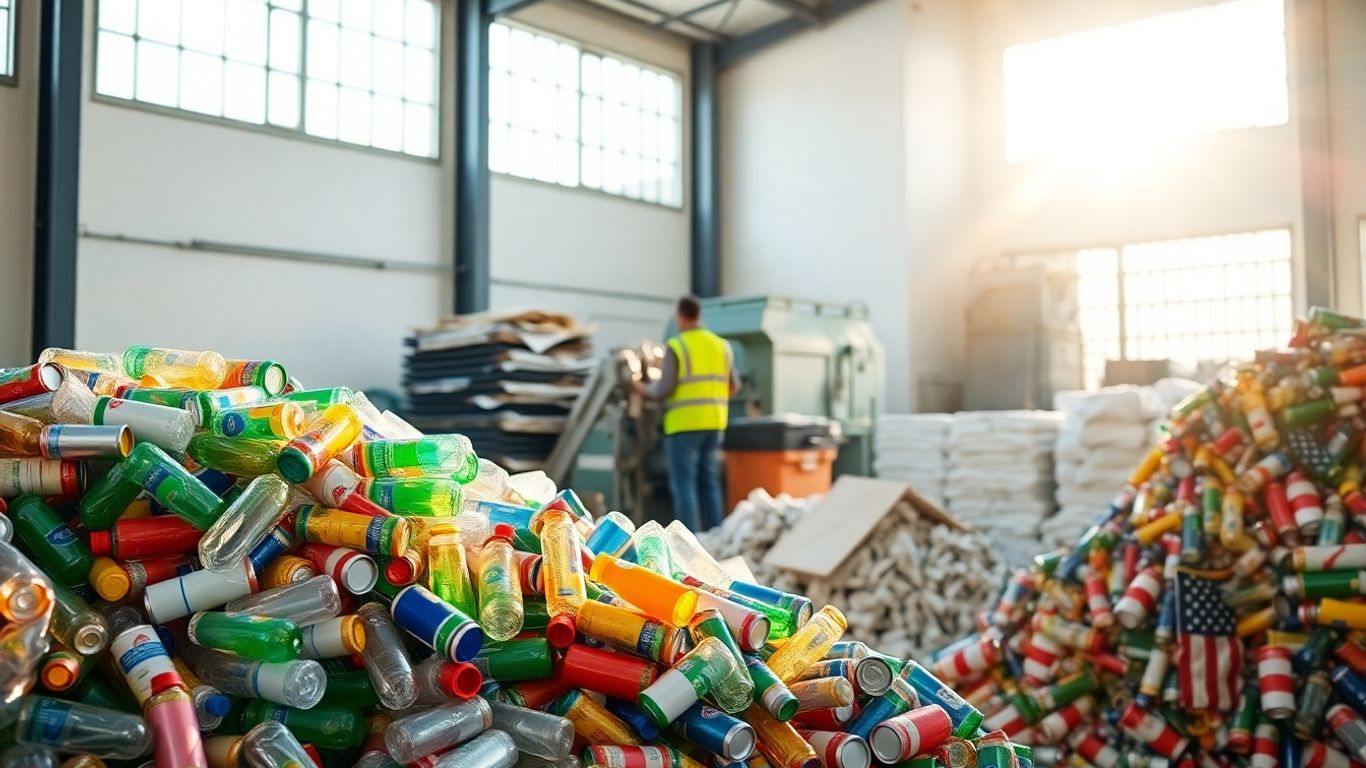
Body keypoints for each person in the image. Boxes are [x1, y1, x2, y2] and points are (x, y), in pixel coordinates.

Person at [634, 296, 740, 532]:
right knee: (709, 482)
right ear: (699, 316)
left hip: (684, 426)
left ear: (680, 317)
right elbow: (734, 386)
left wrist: (641, 389)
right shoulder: (722, 345)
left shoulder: (677, 345)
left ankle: (689, 540)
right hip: (714, 423)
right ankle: (716, 535)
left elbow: (663, 389)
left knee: (685, 485)